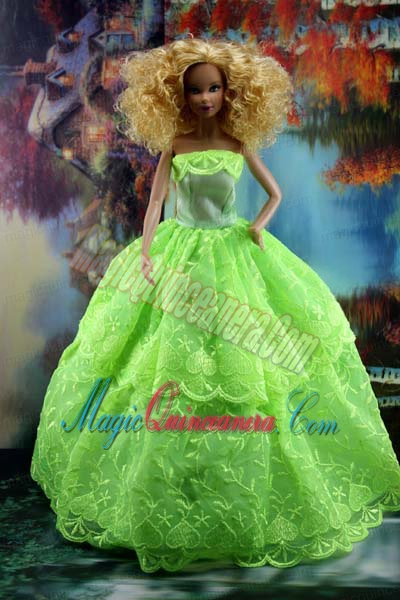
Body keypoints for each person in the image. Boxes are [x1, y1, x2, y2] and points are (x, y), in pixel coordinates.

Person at [30, 36, 400, 574]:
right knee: (160, 364)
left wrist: (258, 226)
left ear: (230, 92)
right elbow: (156, 205)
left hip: (232, 250)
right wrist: (147, 255)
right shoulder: (175, 146)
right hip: (179, 252)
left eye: (213, 89)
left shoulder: (237, 143)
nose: (205, 98)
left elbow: (274, 194)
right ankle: (173, 488)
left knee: (246, 366)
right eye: (195, 91)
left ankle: (236, 490)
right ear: (178, 97)